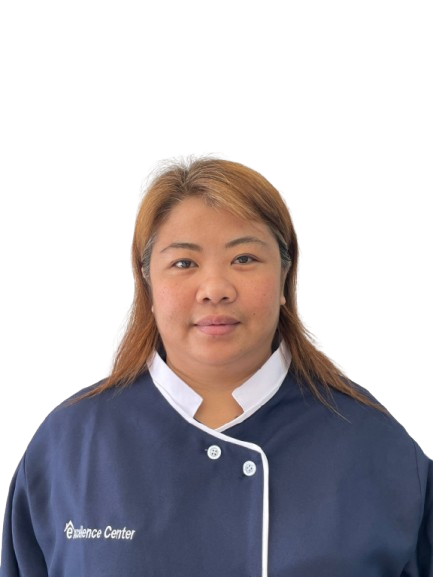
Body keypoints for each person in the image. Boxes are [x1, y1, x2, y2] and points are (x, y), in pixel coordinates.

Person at [1, 152, 431, 577]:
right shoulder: (65, 449)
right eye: (183, 263)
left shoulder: (379, 447)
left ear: (286, 276)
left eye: (244, 258)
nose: (215, 288)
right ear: (147, 283)